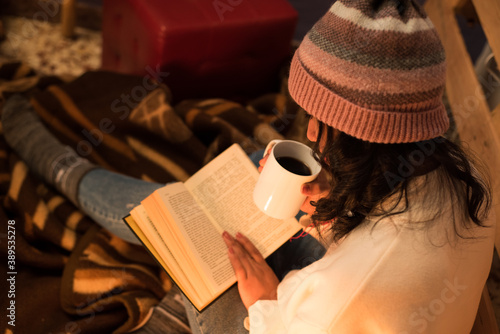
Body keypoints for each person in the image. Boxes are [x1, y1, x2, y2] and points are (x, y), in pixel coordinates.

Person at [2, 0, 495, 333]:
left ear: (338, 131)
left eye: (314, 122)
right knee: (202, 218)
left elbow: (319, 309)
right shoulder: (459, 179)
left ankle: (60, 166)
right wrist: (328, 220)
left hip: (295, 317)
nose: (309, 134)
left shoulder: (336, 296)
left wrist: (261, 301)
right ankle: (70, 171)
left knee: (190, 229)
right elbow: (382, 251)